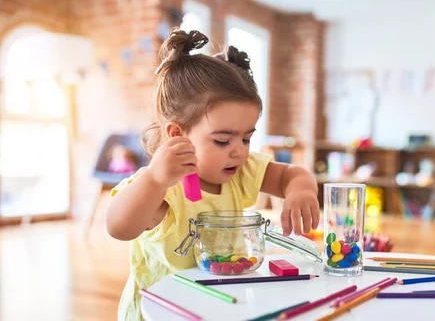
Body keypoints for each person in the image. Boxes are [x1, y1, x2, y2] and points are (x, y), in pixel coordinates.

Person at [105, 28, 320, 321]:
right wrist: (154, 179)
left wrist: (301, 190)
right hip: (160, 313)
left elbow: (290, 175)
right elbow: (119, 227)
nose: (239, 152)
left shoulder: (240, 172)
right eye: (223, 140)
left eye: (246, 138)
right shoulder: (160, 186)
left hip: (217, 305)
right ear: (177, 134)